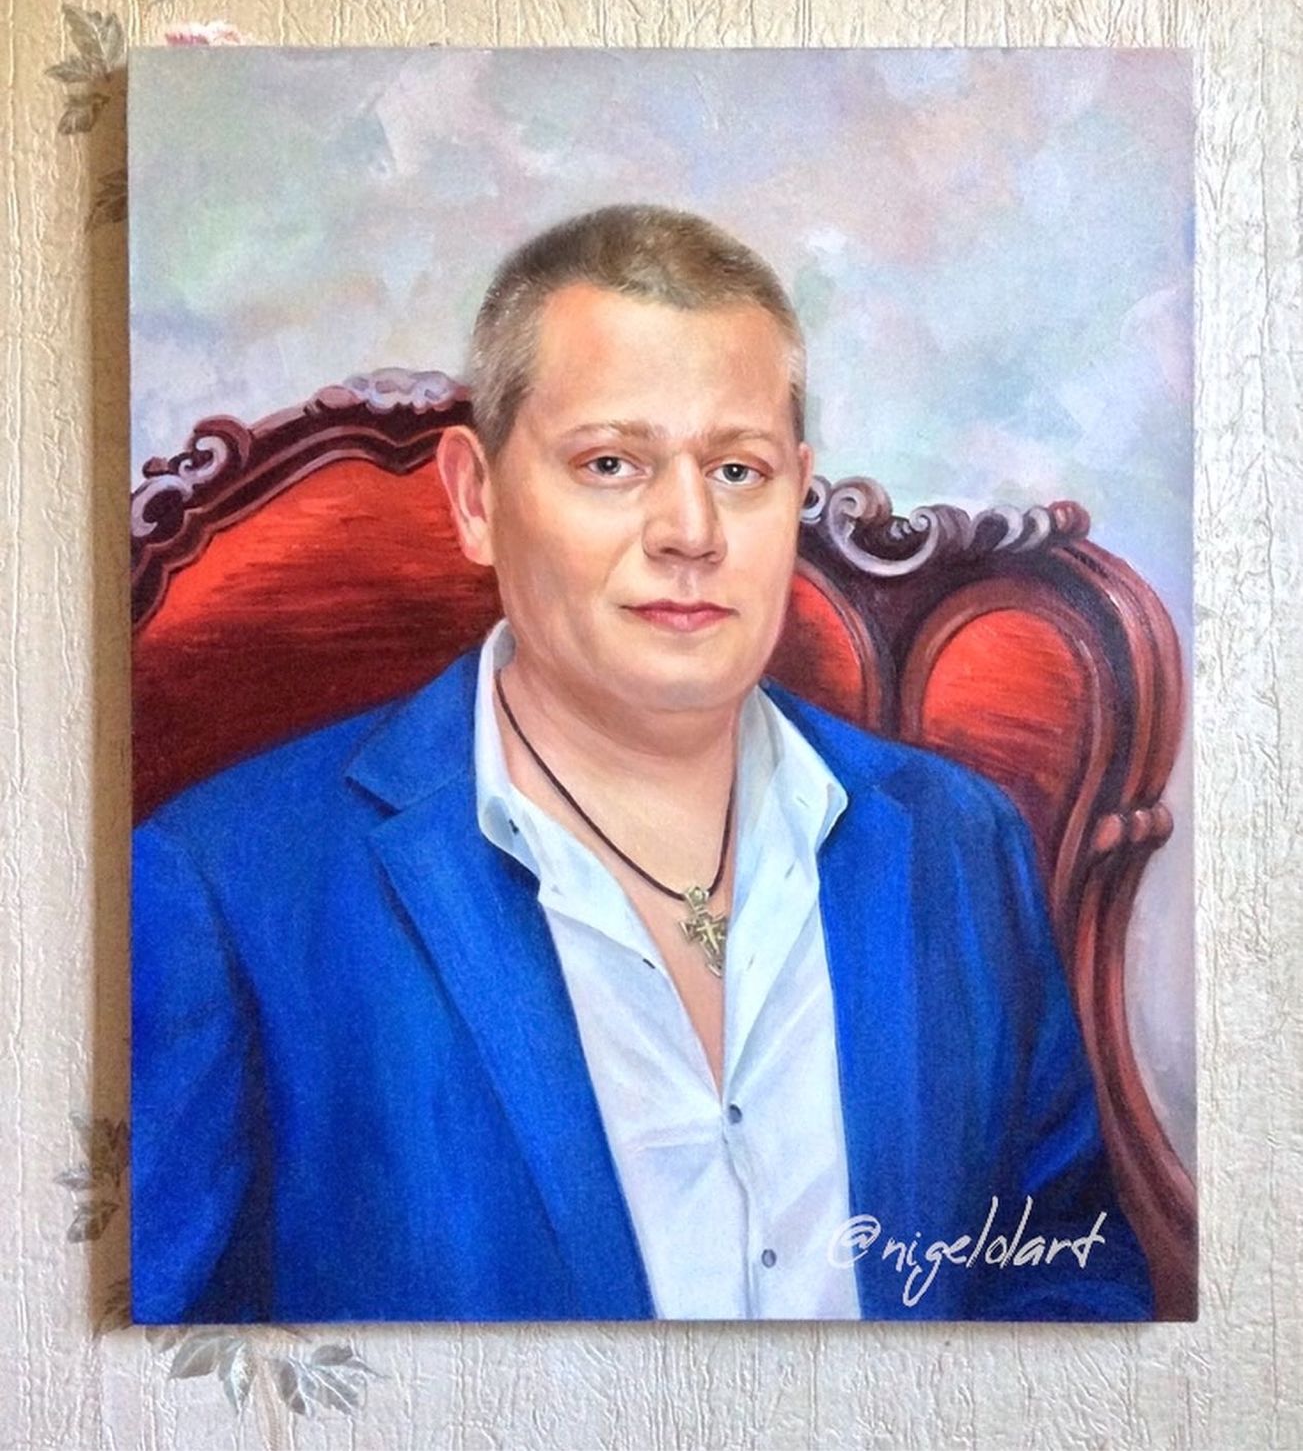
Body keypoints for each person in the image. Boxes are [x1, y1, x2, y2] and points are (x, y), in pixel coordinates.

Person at [131, 204, 1154, 1324]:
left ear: (796, 489)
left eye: (738, 469)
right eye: (612, 463)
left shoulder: (956, 840)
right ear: (477, 499)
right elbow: (141, 1373)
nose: (689, 531)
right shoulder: (226, 892)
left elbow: (1064, 1283)